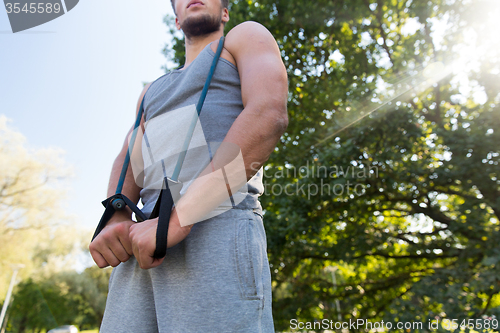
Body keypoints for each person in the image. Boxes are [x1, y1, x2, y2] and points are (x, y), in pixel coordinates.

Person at [89, 0, 288, 331]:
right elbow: (128, 155)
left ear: (225, 12)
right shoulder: (149, 92)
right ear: (177, 19)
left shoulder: (244, 38)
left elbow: (268, 114)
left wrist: (181, 217)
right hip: (141, 244)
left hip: (219, 226)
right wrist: (117, 214)